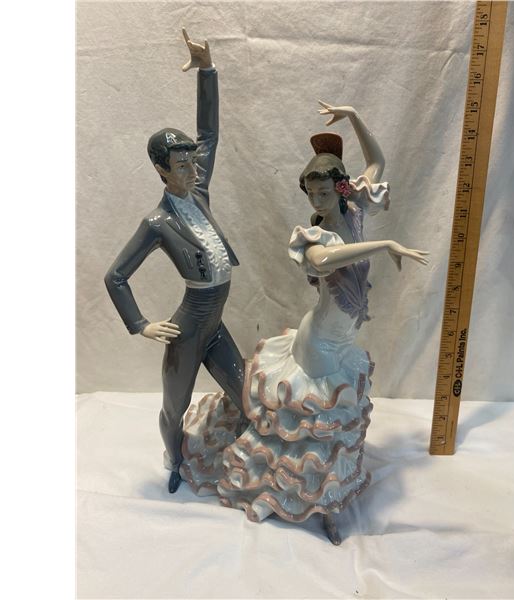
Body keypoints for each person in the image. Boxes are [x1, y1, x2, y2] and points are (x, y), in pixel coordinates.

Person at [181, 101, 428, 544]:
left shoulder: (355, 212)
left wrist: (354, 116)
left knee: (326, 430)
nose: (317, 201)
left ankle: (326, 498)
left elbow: (377, 162)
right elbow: (326, 260)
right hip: (320, 343)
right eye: (311, 194)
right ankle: (312, 500)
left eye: (324, 193)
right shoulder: (313, 238)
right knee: (315, 434)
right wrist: (385, 244)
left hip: (344, 339)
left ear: (341, 188)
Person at [104, 30, 246, 494]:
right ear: (161, 170)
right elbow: (116, 276)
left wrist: (207, 71)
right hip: (187, 329)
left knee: (246, 396)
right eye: (181, 166)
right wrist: (141, 324)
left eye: (192, 163)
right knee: (174, 406)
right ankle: (176, 461)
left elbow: (210, 135)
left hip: (216, 324)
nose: (192, 170)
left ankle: (245, 459)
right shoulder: (156, 222)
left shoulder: (199, 192)